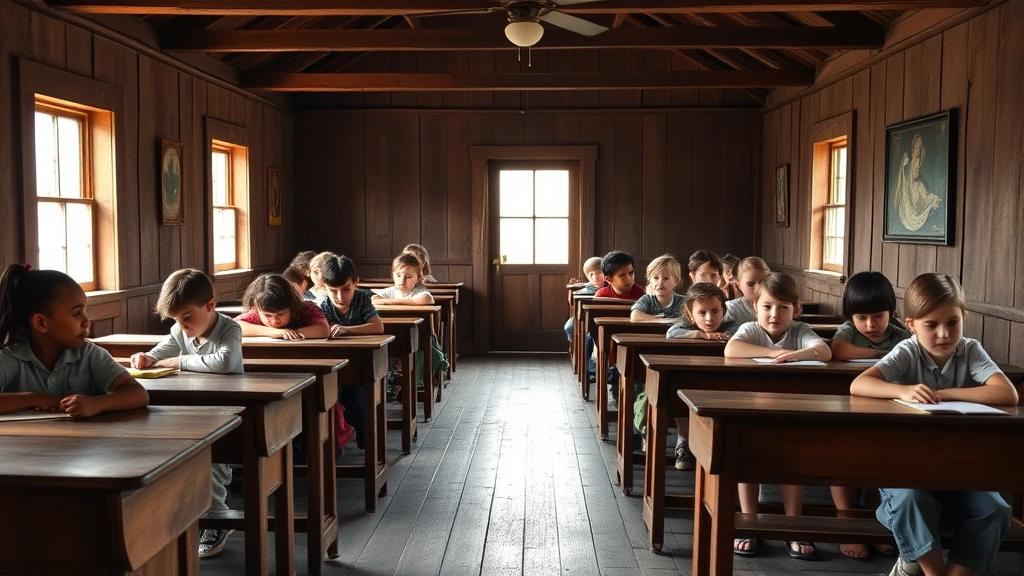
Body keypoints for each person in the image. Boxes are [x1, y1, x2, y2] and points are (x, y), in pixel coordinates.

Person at [851, 273, 1016, 576]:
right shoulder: (908, 350)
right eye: (931, 325)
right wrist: (903, 390)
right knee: (911, 499)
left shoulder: (970, 350)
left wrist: (944, 394)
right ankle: (930, 571)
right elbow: (860, 384)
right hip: (906, 469)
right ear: (911, 325)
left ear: (964, 317)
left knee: (996, 509)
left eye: (953, 322)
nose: (944, 334)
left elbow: (1007, 393)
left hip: (962, 469)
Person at [127, 267, 242, 558]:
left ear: (210, 305)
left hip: (228, 413)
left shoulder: (229, 329)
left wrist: (178, 362)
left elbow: (225, 363)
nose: (183, 326)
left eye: (187, 318)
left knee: (215, 462)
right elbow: (158, 353)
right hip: (192, 411)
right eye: (177, 320)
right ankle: (186, 515)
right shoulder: (180, 331)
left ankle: (217, 518)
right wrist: (145, 357)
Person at [724, 272, 831, 559]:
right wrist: (774, 353)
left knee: (793, 463)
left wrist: (797, 355)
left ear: (796, 310)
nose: (775, 314)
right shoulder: (749, 329)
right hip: (750, 413)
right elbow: (731, 348)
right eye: (767, 307)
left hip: (791, 415)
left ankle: (792, 526)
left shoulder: (800, 329)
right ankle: (749, 523)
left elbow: (825, 351)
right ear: (755, 307)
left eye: (784, 308)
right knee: (745, 460)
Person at [829, 271, 909, 558]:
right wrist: (882, 356)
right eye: (861, 317)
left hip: (886, 412)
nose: (870, 325)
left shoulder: (900, 334)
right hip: (845, 410)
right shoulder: (849, 331)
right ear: (850, 315)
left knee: (882, 457)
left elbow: (911, 352)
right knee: (842, 455)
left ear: (893, 312)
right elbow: (838, 350)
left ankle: (878, 520)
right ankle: (846, 520)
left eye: (878, 316)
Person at [0, 264, 149, 418]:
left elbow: (138, 394)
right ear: (41, 323)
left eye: (85, 311)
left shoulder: (89, 354)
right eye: (77, 314)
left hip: (81, 441)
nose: (86, 321)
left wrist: (96, 404)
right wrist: (34, 398)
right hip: (24, 441)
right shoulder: (11, 358)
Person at [664, 282, 737, 470]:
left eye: (715, 311)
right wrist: (698, 334)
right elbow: (671, 334)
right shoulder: (684, 326)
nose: (709, 319)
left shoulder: (731, 326)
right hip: (690, 378)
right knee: (678, 391)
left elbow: (740, 334)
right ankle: (684, 441)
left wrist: (726, 337)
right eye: (702, 313)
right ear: (690, 313)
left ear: (724, 309)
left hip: (724, 382)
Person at [318, 255, 384, 448]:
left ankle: (364, 433)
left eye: (346, 289)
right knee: (333, 398)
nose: (340, 296)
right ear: (324, 287)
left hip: (363, 361)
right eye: (333, 291)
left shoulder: (363, 299)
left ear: (356, 282)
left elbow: (377, 327)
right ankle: (336, 437)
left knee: (357, 399)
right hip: (333, 361)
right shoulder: (323, 304)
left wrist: (347, 330)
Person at [235, 274, 330, 340]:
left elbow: (324, 330)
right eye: (268, 315)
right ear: (256, 308)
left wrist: (289, 333)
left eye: (281, 313)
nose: (275, 321)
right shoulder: (256, 311)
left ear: (292, 306)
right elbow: (233, 326)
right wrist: (271, 332)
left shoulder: (307, 309)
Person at [564, 256, 605, 382]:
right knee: (570, 327)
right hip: (583, 319)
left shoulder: (611, 287)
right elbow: (574, 302)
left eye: (598, 273)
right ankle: (584, 360)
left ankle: (596, 369)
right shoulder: (584, 288)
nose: (595, 277)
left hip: (603, 319)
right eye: (591, 274)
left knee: (591, 338)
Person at [894, 134, 941, 232]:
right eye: (916, 146)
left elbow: (917, 175)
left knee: (934, 200)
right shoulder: (907, 160)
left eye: (919, 147)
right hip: (910, 191)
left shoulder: (919, 160)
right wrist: (905, 167)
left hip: (917, 188)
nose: (918, 148)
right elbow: (909, 175)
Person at [630, 255, 684, 321]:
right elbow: (635, 316)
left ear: (676, 281)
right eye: (656, 278)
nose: (660, 283)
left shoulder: (683, 302)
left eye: (666, 278)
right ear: (650, 280)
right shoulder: (647, 299)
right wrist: (662, 319)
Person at [725, 256, 770, 325]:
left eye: (763, 283)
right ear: (739, 285)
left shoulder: (780, 305)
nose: (758, 288)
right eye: (751, 284)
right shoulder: (731, 309)